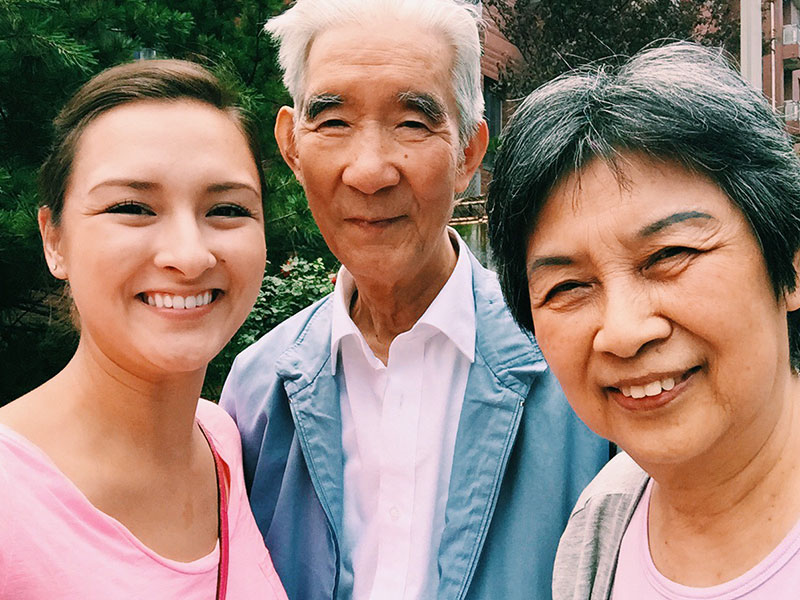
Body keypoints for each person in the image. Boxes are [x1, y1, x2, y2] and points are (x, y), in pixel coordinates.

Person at [220, 0, 611, 598]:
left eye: (412, 122)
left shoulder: (580, 373)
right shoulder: (256, 396)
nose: (370, 170)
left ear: (469, 154)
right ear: (292, 146)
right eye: (333, 121)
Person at [486, 41, 800, 599]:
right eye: (568, 287)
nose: (625, 332)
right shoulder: (598, 531)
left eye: (668, 256)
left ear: (791, 264)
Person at [0, 59, 287, 599]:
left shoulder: (220, 441)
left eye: (227, 208)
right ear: (54, 240)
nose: (189, 254)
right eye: (132, 207)